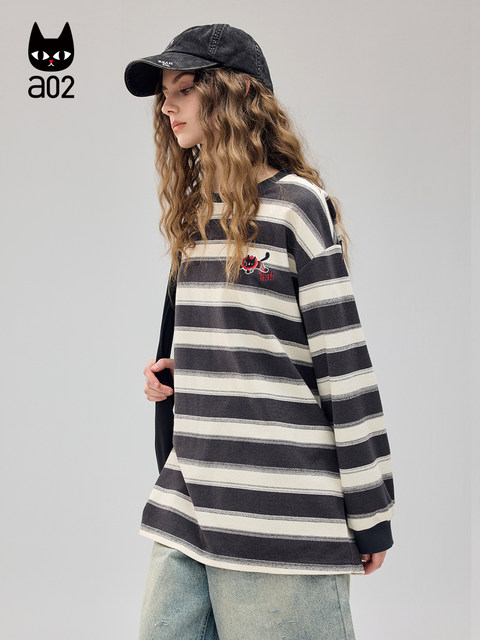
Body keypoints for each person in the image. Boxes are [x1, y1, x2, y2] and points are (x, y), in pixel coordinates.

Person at [124, 23, 395, 640]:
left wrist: (370, 509)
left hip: (282, 515)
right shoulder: (196, 216)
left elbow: (343, 365)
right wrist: (177, 374)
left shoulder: (297, 207)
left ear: (235, 94)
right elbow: (222, 340)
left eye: (184, 89)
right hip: (189, 504)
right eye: (165, 93)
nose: (167, 107)